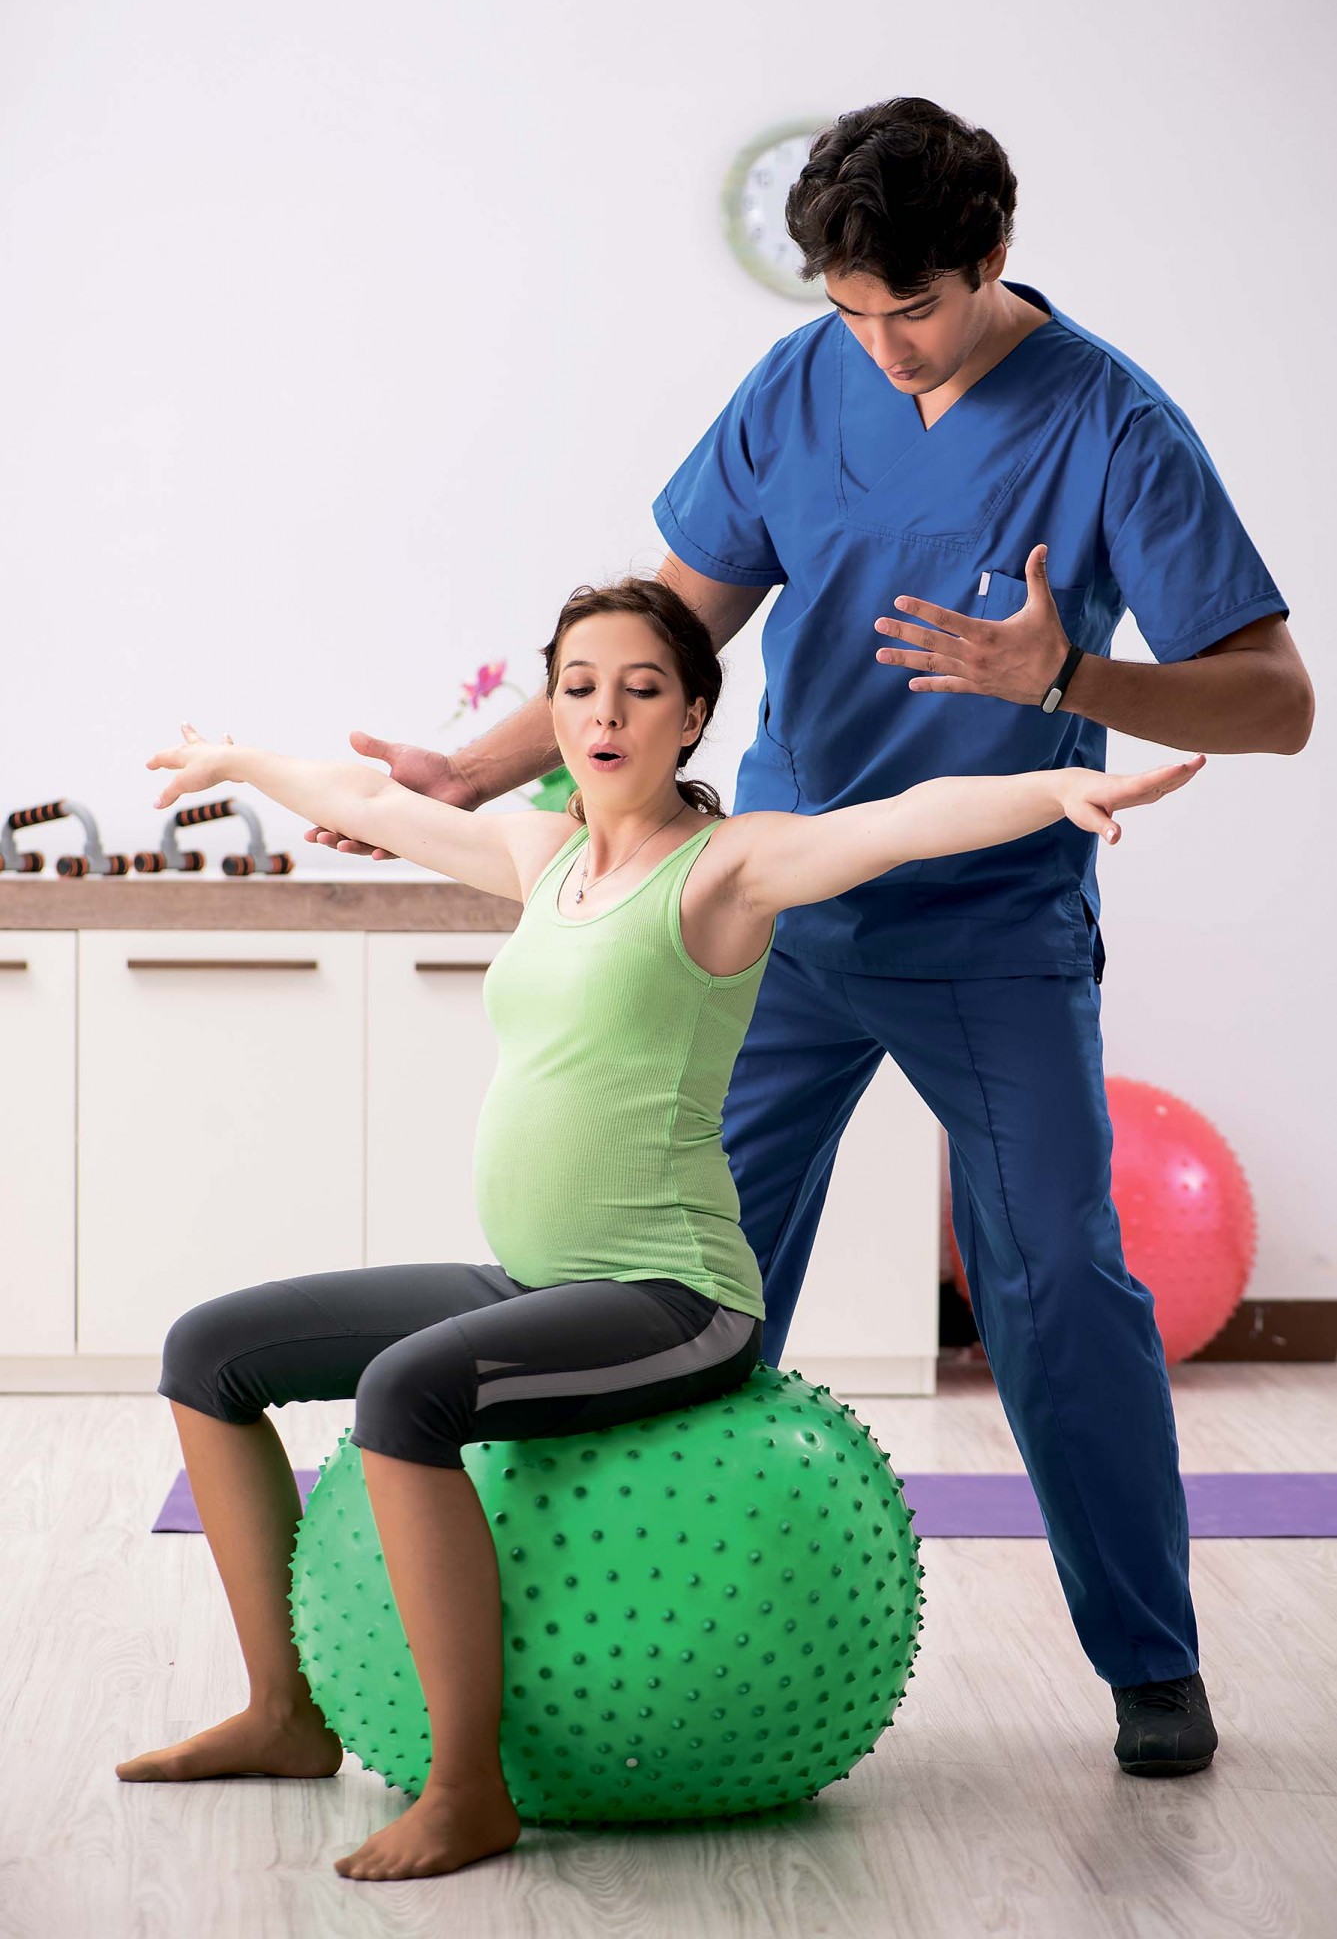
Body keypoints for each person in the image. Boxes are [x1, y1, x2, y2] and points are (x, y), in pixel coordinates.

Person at [307, 100, 1314, 1780]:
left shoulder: (1111, 423)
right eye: (850, 311)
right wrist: (469, 769)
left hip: (989, 927)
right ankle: (626, 1649)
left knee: (1053, 1282)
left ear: (991, 257)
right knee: (671, 1284)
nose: (883, 347)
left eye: (911, 308)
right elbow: (668, 630)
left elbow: (1274, 702)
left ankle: (1150, 1663)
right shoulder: (798, 383)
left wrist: (1067, 678)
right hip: (763, 909)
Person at [117, 578, 1199, 1882]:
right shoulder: (545, 857)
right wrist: (240, 760)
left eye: (641, 689)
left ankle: (467, 1791)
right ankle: (286, 1717)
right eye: (579, 688)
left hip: (675, 1300)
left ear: (690, 716)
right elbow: (377, 805)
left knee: (406, 1396)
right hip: (534, 1279)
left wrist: (1053, 790)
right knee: (209, 1352)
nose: (606, 714)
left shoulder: (726, 869)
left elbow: (897, 823)